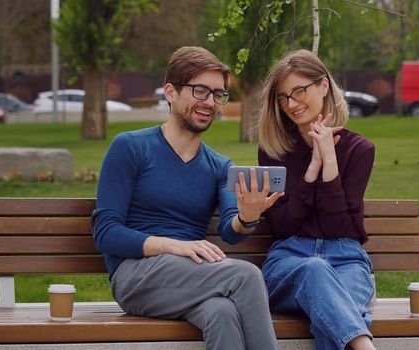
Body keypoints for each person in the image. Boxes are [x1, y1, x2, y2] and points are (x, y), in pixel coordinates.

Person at [92, 46, 282, 350]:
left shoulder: (220, 166)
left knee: (222, 312)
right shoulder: (130, 147)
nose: (210, 102)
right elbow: (105, 233)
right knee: (245, 276)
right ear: (171, 92)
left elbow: (229, 233)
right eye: (200, 91)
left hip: (190, 278)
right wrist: (170, 245)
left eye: (218, 94)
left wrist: (247, 217)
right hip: (136, 275)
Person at [257, 49, 377, 350]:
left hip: (346, 259)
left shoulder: (359, 150)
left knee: (338, 311)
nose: (291, 104)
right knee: (316, 270)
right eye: (283, 98)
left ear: (323, 86)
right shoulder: (273, 152)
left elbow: (338, 226)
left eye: (299, 92)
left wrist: (330, 164)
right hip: (289, 261)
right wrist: (311, 170)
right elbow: (282, 226)